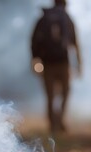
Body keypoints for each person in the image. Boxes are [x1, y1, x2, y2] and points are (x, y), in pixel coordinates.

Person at [31, 0, 81, 133]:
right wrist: (79, 63)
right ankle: (60, 119)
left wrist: (35, 60)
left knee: (50, 95)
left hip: (47, 64)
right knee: (65, 93)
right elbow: (75, 42)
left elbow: (34, 40)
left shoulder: (43, 18)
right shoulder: (66, 18)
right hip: (63, 63)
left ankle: (53, 124)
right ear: (65, 4)